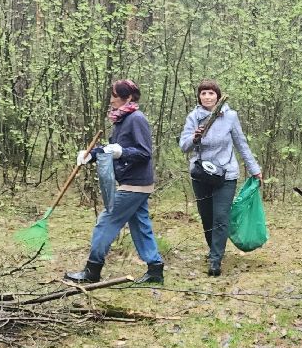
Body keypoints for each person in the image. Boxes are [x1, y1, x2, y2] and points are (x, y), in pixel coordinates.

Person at [65, 80, 164, 285]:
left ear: (128, 98)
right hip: (131, 182)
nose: (111, 100)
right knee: (140, 225)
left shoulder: (136, 119)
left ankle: (92, 270)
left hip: (134, 184)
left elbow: (144, 152)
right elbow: (112, 149)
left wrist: (120, 152)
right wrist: (91, 155)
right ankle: (155, 269)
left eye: (114, 96)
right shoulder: (122, 120)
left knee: (106, 221)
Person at [178, 80, 262, 277]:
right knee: (207, 217)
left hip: (226, 174)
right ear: (199, 97)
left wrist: (254, 169)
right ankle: (212, 248)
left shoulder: (230, 116)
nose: (207, 97)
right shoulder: (193, 117)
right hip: (201, 174)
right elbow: (183, 146)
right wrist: (194, 138)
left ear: (218, 96)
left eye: (211, 93)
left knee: (221, 216)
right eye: (203, 93)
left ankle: (216, 259)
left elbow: (241, 144)